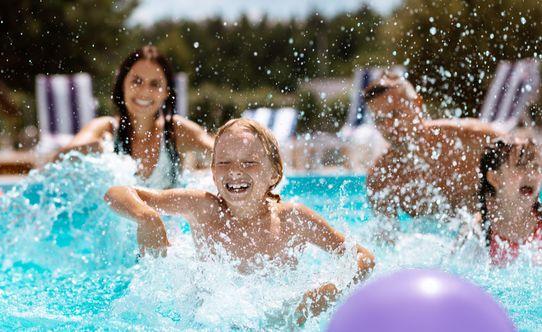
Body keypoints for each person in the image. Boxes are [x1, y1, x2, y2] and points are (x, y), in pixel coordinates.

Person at [104, 118, 375, 323]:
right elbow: (117, 192)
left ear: (274, 173)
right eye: (224, 162)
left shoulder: (294, 219)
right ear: (212, 170)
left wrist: (326, 295)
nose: (235, 171)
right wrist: (147, 217)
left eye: (249, 162)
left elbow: (363, 258)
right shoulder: (203, 209)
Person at [60, 45, 213, 188]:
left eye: (155, 84)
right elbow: (58, 161)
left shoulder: (175, 131)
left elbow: (222, 152)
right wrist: (88, 149)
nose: (145, 91)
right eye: (137, 81)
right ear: (122, 85)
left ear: (166, 92)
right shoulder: (104, 129)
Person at [365, 72, 503, 221]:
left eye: (395, 114)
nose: (389, 126)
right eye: (380, 120)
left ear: (417, 103)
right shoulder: (382, 178)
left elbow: (523, 154)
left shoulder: (469, 138)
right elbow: (384, 241)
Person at [471, 138, 542, 266]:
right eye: (521, 165)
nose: (531, 173)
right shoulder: (479, 231)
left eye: (536, 166)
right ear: (495, 178)